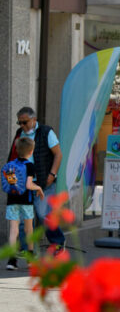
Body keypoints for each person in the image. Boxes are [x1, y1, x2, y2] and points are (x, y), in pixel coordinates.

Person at [8, 107, 65, 252]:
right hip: (24, 184)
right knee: (24, 220)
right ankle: (27, 251)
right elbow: (13, 157)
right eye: (19, 122)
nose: (22, 126)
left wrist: (52, 175)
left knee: (44, 214)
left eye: (25, 122)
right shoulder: (19, 134)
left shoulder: (46, 132)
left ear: (34, 120)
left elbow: (58, 154)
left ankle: (58, 243)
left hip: (44, 182)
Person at [4, 138, 44, 270]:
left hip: (12, 200)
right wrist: (38, 188)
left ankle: (11, 261)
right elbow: (28, 185)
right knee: (28, 230)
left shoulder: (10, 164)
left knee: (13, 231)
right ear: (31, 151)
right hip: (26, 202)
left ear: (17, 150)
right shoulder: (30, 166)